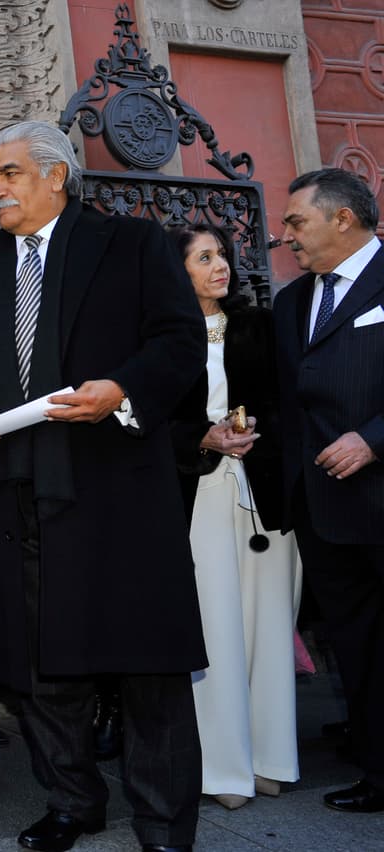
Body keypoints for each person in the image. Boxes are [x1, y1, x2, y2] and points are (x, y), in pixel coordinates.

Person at [0, 121, 206, 852]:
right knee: (40, 673)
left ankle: (163, 824)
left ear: (56, 176)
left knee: (147, 672)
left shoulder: (132, 245)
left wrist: (121, 387)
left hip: (115, 490)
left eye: (9, 174)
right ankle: (72, 801)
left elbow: (180, 341)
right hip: (16, 495)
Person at [166, 223, 300, 811]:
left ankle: (271, 758)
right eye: (204, 257)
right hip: (198, 498)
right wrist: (204, 437)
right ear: (179, 270)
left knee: (270, 626)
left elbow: (293, 403)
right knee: (215, 628)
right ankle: (223, 769)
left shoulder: (260, 327)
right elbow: (143, 422)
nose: (219, 265)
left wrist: (257, 438)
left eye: (221, 254)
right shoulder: (163, 338)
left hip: (265, 495)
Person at [274, 167, 384, 814]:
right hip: (326, 515)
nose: (285, 235)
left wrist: (374, 438)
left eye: (296, 222)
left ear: (342, 218)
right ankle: (377, 773)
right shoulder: (291, 302)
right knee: (357, 650)